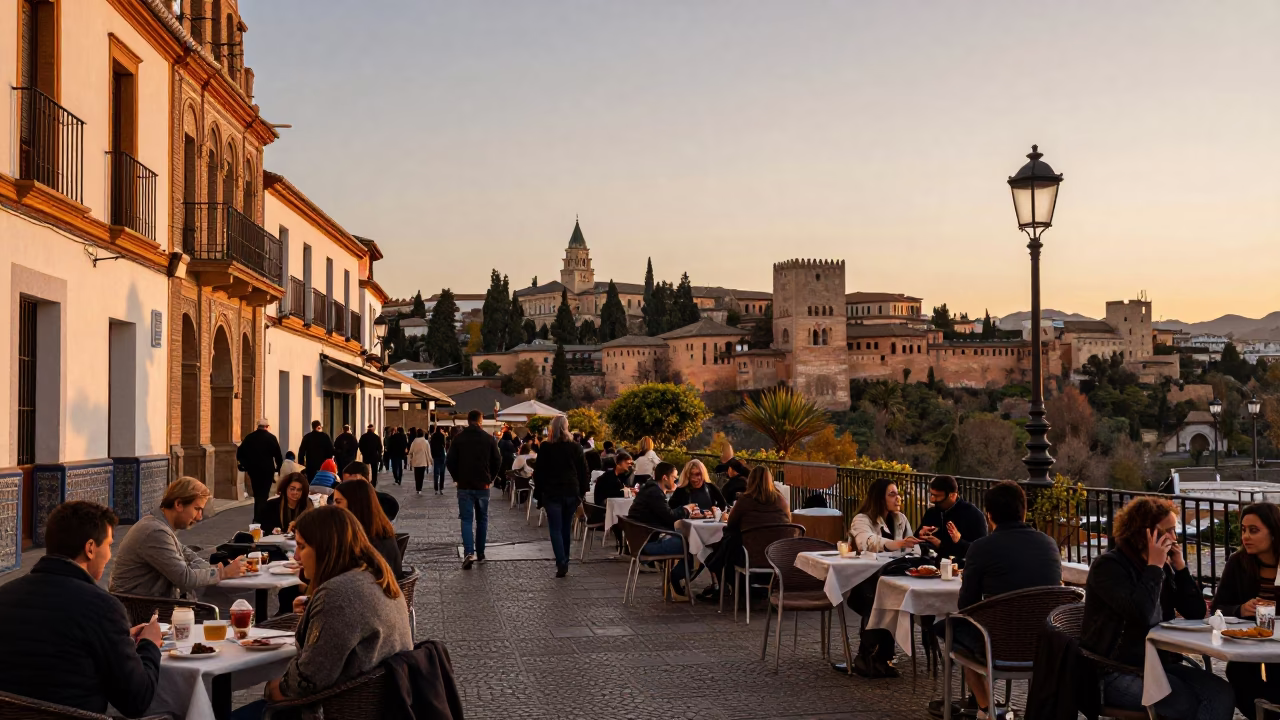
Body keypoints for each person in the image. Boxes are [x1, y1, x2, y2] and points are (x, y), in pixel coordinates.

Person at [233, 506, 412, 720]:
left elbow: (308, 680)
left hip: (327, 711)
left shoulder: (338, 593)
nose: (297, 556)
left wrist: (272, 688)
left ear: (326, 548)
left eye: (302, 546)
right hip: (380, 705)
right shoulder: (373, 575)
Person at [0, 501, 163, 716]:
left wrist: (120, 639)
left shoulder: (5, 595)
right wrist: (150, 645)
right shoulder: (102, 607)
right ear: (90, 548)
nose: (110, 555)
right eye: (108, 545)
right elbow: (136, 701)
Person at [1082, 497, 1234, 720]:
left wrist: (1181, 568)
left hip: (1158, 664)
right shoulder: (1109, 567)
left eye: (1175, 530)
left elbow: (1195, 612)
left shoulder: (1164, 564)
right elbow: (1140, 614)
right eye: (1168, 531)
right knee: (1183, 702)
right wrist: (1154, 567)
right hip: (1114, 670)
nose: (1174, 538)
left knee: (1222, 693)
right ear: (1144, 533)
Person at [928, 481, 1062, 719]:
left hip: (997, 645)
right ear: (1024, 510)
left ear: (988, 514)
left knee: (952, 630)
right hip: (1044, 647)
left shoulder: (981, 548)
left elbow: (966, 605)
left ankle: (985, 708)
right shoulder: (1049, 545)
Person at [110, 477, 245, 598]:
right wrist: (223, 573)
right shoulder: (154, 532)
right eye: (197, 509)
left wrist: (216, 567)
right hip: (140, 611)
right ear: (179, 504)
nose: (200, 517)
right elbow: (186, 578)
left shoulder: (160, 526)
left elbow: (190, 557)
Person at [847, 478, 922, 678]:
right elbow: (867, 542)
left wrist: (912, 545)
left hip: (892, 576)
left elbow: (913, 548)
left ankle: (876, 656)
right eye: (892, 494)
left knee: (894, 596)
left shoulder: (900, 519)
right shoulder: (862, 519)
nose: (898, 498)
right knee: (883, 598)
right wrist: (898, 544)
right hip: (866, 578)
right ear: (879, 498)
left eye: (898, 494)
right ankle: (872, 655)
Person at [1212, 502, 1280, 716]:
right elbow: (1217, 608)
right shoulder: (1238, 562)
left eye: (1254, 530)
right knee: (1237, 672)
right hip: (1250, 643)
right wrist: (1241, 609)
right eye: (1243, 530)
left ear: (1274, 532)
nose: (1246, 537)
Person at [703, 465, 790, 601]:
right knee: (730, 542)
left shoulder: (745, 500)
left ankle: (727, 585)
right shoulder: (781, 501)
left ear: (750, 480)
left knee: (729, 543)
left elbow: (731, 524)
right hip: (778, 558)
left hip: (752, 558)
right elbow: (788, 524)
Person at [627, 462, 700, 600]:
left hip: (640, 540)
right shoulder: (655, 493)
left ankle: (674, 580)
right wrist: (687, 509)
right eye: (674, 478)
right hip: (646, 544)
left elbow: (664, 515)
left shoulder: (649, 489)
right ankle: (675, 580)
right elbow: (670, 518)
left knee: (686, 540)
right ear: (665, 477)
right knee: (692, 544)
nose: (676, 481)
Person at [532, 415, 590, 578]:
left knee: (555, 529)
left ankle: (561, 561)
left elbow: (540, 472)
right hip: (571, 492)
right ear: (567, 427)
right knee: (565, 528)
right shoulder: (575, 447)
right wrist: (582, 492)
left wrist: (540, 492)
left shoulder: (546, 447)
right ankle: (565, 559)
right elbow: (583, 471)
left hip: (552, 493)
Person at [446, 410, 501, 569]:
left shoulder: (459, 439)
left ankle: (469, 552)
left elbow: (449, 460)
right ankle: (481, 552)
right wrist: (490, 478)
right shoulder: (489, 439)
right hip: (482, 485)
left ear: (468, 420)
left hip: (464, 485)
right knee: (482, 519)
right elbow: (497, 460)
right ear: (481, 420)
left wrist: (457, 477)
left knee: (466, 519)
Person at [334, 478, 403, 579]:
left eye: (338, 502)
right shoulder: (376, 531)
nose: (333, 507)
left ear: (355, 504)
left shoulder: (369, 542)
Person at [916, 475, 987, 562]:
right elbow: (916, 542)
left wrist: (944, 545)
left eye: (937, 496)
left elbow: (981, 551)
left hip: (961, 567)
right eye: (931, 495)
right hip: (930, 564)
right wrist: (920, 535)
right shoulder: (932, 512)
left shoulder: (973, 515)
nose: (932, 500)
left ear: (952, 496)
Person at [238, 417, 283, 527]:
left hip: (254, 470)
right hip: (267, 470)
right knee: (264, 494)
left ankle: (257, 517)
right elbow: (278, 455)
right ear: (267, 427)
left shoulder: (249, 437)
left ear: (257, 426)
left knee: (257, 494)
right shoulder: (271, 438)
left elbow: (239, 453)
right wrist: (278, 468)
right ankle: (260, 518)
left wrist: (245, 465)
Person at [409, 428, 432, 495]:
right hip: (423, 461)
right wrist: (430, 460)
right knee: (421, 475)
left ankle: (417, 488)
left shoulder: (414, 442)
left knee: (416, 475)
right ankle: (420, 488)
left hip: (416, 461)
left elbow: (411, 451)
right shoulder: (426, 442)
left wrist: (410, 459)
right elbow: (428, 452)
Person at [430, 426, 448, 492]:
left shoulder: (433, 436)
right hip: (441, 454)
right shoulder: (442, 436)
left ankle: (436, 488)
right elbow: (444, 445)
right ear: (440, 429)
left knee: (436, 472)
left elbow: (431, 445)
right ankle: (441, 487)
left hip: (435, 455)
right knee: (442, 471)